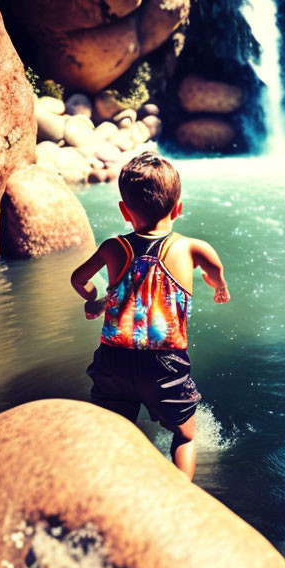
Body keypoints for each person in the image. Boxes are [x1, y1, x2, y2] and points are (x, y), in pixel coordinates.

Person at [70, 152, 230, 481]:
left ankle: (111, 490)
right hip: (164, 363)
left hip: (113, 360)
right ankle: (180, 498)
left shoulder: (113, 247)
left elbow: (80, 279)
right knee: (184, 436)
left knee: (115, 433)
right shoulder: (192, 248)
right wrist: (218, 287)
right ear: (179, 208)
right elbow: (215, 272)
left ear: (124, 210)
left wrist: (93, 299)